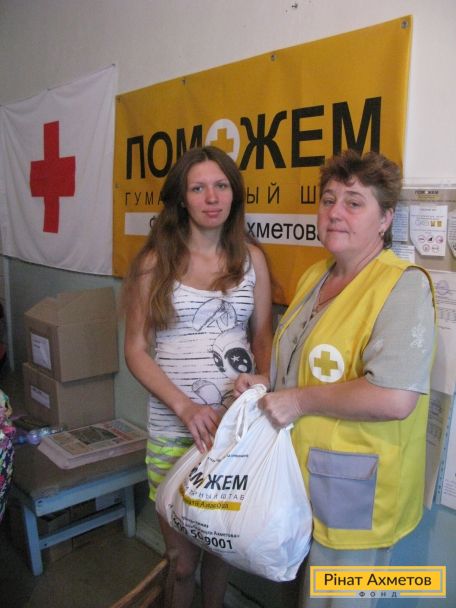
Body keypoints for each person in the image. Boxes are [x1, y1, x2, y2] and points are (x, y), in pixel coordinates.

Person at [235, 149, 436, 607]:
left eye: (354, 202)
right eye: (328, 200)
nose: (335, 212)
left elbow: (395, 398)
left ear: (385, 219)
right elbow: (310, 367)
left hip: (355, 495)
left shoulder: (403, 285)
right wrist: (268, 385)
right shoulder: (315, 276)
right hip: (298, 481)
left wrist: (297, 401)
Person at [122, 145, 273, 608]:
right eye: (199, 187)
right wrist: (185, 407)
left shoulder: (252, 259)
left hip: (233, 432)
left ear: (234, 194)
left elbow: (262, 336)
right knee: (182, 561)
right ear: (181, 199)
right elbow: (136, 350)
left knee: (221, 553)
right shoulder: (155, 263)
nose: (212, 197)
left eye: (221, 185)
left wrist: (262, 384)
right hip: (175, 430)